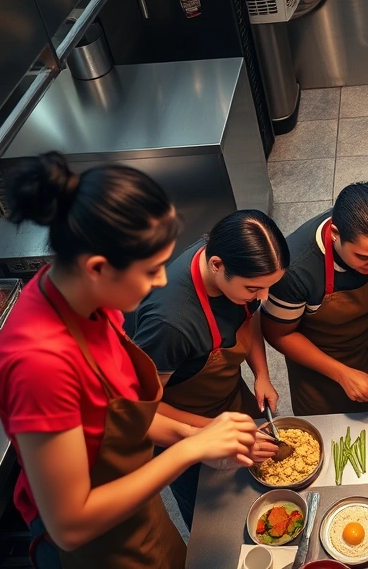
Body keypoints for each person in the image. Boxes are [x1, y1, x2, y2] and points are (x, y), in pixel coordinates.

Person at [0, 153, 258, 568]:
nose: (163, 281)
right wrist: (189, 452)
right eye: (151, 270)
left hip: (136, 511)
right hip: (94, 547)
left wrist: (200, 440)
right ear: (97, 268)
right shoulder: (39, 366)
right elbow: (70, 524)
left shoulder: (91, 302)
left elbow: (126, 415)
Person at [130, 209, 289, 530]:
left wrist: (261, 374)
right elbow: (141, 411)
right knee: (214, 521)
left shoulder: (235, 272)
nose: (264, 297)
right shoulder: (170, 323)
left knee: (252, 489)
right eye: (255, 289)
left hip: (229, 401)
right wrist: (210, 432)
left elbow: (248, 317)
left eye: (269, 287)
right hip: (180, 425)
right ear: (217, 265)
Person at [261, 182, 368, 415]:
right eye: (364, 258)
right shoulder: (294, 270)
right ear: (335, 234)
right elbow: (278, 334)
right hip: (319, 370)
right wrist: (341, 373)